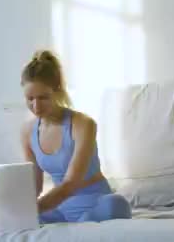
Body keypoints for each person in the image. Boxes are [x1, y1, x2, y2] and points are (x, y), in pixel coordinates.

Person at [20, 50, 132, 223]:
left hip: (94, 203)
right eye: (30, 99)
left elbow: (71, 184)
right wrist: (18, 210)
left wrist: (33, 209)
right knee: (17, 221)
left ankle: (83, 224)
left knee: (116, 204)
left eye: (43, 98)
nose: (36, 106)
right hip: (57, 209)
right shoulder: (27, 131)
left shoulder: (83, 124)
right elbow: (35, 185)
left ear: (57, 91)